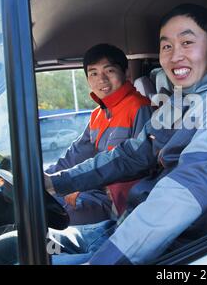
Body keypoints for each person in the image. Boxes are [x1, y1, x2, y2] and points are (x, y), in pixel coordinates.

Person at [0, 3, 207, 265]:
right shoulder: (180, 102)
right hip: (120, 226)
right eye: (166, 46)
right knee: (6, 248)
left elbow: (186, 189)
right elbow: (129, 156)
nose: (174, 56)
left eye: (187, 43)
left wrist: (104, 260)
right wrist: (55, 182)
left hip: (166, 245)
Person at [45, 43, 152, 224]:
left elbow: (141, 162)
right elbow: (76, 154)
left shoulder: (140, 107)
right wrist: (46, 177)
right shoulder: (98, 114)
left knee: (54, 219)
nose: (101, 79)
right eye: (93, 73)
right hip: (98, 190)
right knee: (44, 204)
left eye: (109, 71)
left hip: (122, 201)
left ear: (126, 73)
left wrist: (81, 185)